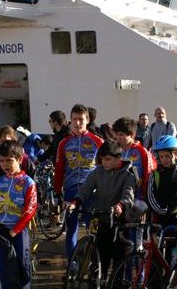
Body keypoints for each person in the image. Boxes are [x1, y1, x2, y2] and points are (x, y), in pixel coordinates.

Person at [68, 141, 136, 281]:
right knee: (99, 256)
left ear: (119, 158)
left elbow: (128, 196)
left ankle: (115, 283)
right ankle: (97, 280)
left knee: (118, 258)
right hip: (99, 217)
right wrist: (76, 201)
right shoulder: (98, 171)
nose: (104, 162)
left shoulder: (129, 174)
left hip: (118, 220)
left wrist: (120, 206)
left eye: (108, 159)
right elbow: (86, 188)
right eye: (102, 159)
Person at [54, 104, 104, 259]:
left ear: (87, 120)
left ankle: (96, 262)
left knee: (94, 229)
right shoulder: (64, 143)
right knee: (71, 228)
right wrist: (57, 192)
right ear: (70, 120)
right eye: (74, 119)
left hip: (92, 190)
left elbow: (105, 167)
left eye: (81, 119)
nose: (77, 123)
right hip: (71, 189)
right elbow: (59, 168)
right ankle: (72, 264)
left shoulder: (98, 141)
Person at [0, 140, 37, 289]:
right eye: (2, 161)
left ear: (20, 159)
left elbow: (30, 209)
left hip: (19, 232)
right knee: (4, 269)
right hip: (0, 231)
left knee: (22, 269)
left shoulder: (28, 182)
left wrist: (15, 230)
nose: (5, 164)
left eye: (9, 160)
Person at [147, 135, 177, 226]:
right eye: (161, 156)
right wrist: (164, 211)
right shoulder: (155, 174)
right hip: (161, 219)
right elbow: (151, 197)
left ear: (176, 155)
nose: (164, 159)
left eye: (167, 156)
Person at [112, 117, 155, 201]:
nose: (118, 137)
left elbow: (149, 173)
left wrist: (145, 196)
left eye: (121, 134)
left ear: (131, 135)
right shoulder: (114, 150)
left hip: (137, 195)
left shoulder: (142, 151)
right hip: (118, 194)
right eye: (116, 134)